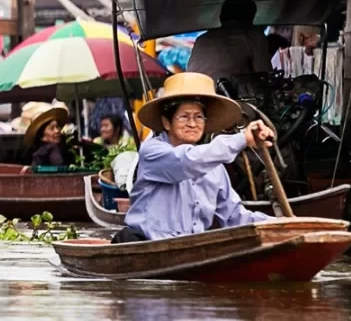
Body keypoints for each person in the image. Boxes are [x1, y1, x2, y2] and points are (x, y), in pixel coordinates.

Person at [116, 72, 276, 242]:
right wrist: (242, 139)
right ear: (166, 122)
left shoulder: (214, 167)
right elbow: (186, 162)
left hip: (190, 247)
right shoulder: (153, 151)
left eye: (199, 117)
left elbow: (233, 217)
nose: (192, 124)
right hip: (147, 245)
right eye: (184, 117)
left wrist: (280, 224)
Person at [188, 0, 273, 84]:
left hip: (191, 93)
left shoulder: (201, 39)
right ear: (251, 18)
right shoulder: (255, 35)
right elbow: (265, 75)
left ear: (221, 18)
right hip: (223, 95)